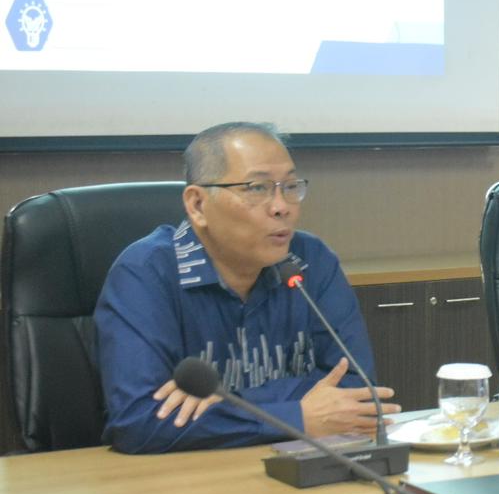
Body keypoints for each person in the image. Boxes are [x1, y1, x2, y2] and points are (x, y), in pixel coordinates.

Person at [95, 122, 399, 453]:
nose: (281, 206)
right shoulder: (146, 272)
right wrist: (293, 416)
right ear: (197, 205)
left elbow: (357, 392)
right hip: (183, 477)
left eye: (290, 186)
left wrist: (221, 405)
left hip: (296, 465)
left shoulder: (311, 261)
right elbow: (139, 420)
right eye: (257, 188)